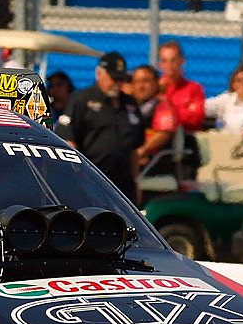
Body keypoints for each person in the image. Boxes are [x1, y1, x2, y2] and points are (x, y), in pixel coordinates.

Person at [56, 52, 144, 203]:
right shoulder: (82, 100)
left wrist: (136, 182)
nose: (117, 83)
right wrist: (79, 177)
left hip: (123, 186)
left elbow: (134, 150)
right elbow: (68, 141)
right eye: (113, 78)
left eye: (120, 79)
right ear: (99, 74)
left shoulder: (129, 103)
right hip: (91, 182)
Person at [137, 41, 207, 180]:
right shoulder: (153, 86)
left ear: (181, 61)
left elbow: (195, 118)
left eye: (173, 60)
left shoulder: (193, 88)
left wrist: (169, 110)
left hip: (183, 146)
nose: (169, 66)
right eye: (164, 61)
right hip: (151, 141)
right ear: (160, 64)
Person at [205, 64, 243, 134]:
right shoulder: (226, 98)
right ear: (233, 84)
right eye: (239, 80)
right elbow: (205, 107)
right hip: (225, 140)